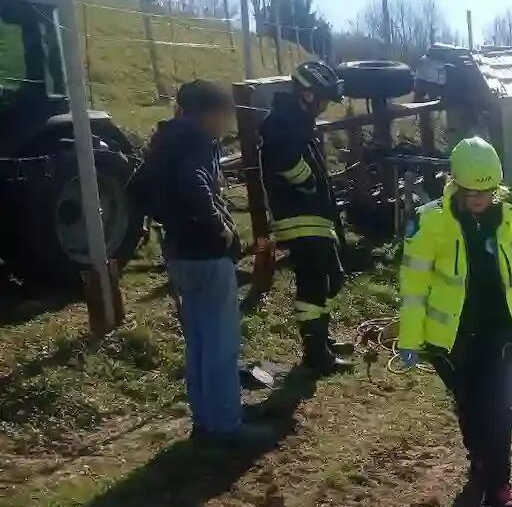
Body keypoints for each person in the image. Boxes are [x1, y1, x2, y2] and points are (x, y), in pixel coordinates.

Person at [395, 136, 512, 507]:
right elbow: (414, 288)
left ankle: (499, 485)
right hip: (453, 340)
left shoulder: (509, 220)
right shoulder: (430, 223)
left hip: (501, 335)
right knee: (470, 407)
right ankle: (480, 459)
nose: (479, 198)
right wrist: (410, 339)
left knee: (497, 410)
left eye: (486, 191)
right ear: (456, 184)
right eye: (471, 191)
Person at [128, 80, 271, 446]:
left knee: (200, 342)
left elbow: (140, 190)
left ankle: (208, 418)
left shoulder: (166, 142)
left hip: (178, 254)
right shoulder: (196, 143)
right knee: (221, 343)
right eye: (225, 116)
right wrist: (221, 228)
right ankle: (226, 425)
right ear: (209, 114)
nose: (227, 125)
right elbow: (194, 184)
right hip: (206, 255)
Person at [259, 61, 352, 376]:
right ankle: (315, 355)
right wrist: (308, 182)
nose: (325, 106)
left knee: (325, 281)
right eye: (323, 99)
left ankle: (322, 340)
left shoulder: (297, 120)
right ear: (307, 94)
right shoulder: (281, 123)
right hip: (300, 217)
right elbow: (285, 159)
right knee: (312, 285)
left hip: (314, 217)